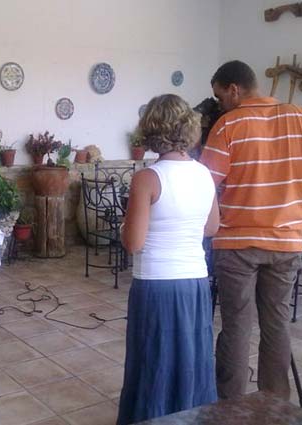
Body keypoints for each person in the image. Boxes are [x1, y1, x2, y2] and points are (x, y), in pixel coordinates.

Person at [200, 60, 302, 400]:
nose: (219, 104)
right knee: (276, 325)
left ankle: (230, 408)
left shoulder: (228, 125)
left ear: (234, 90)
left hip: (236, 243)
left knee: (236, 325)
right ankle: (275, 407)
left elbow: (204, 186)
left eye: (220, 97)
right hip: (286, 241)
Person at [117, 94, 219, 425]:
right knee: (190, 355)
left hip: (157, 284)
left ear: (150, 130)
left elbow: (133, 243)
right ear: (188, 127)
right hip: (194, 281)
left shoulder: (147, 178)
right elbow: (212, 227)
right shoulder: (204, 174)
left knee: (154, 358)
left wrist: (123, 226)